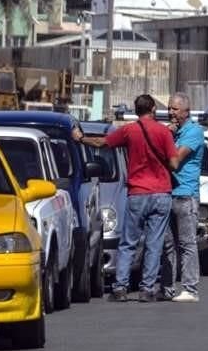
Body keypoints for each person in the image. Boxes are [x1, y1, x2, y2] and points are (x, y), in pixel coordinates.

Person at [73, 94, 180, 303]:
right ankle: (147, 289)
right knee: (154, 243)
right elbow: (174, 164)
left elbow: (101, 142)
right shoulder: (163, 132)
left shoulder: (129, 130)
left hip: (138, 193)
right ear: (152, 109)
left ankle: (120, 287)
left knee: (128, 242)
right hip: (161, 193)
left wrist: (80, 138)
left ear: (136, 109)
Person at [160, 93, 205, 303]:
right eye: (169, 108)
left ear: (186, 111)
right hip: (169, 193)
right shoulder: (173, 133)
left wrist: (167, 137)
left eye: (175, 109)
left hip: (186, 195)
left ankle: (190, 288)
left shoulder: (193, 132)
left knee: (187, 243)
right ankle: (167, 287)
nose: (171, 113)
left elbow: (175, 158)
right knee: (168, 244)